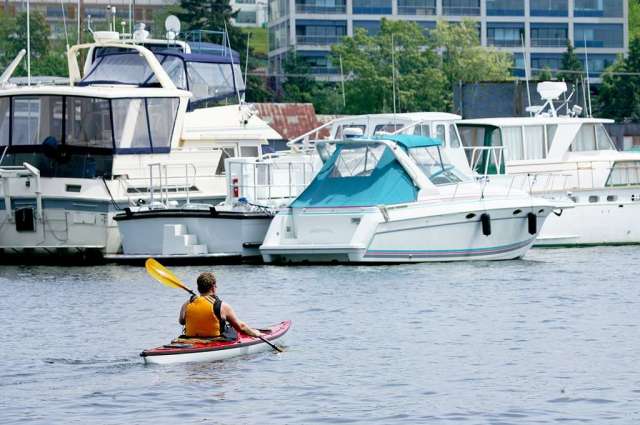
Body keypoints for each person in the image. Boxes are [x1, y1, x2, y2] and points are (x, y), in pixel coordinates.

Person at [179, 272, 262, 339]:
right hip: (214, 339)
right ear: (213, 287)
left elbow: (181, 321)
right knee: (232, 329)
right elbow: (241, 327)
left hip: (190, 338)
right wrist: (255, 333)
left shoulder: (187, 303)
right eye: (215, 286)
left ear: (198, 288)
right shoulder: (222, 306)